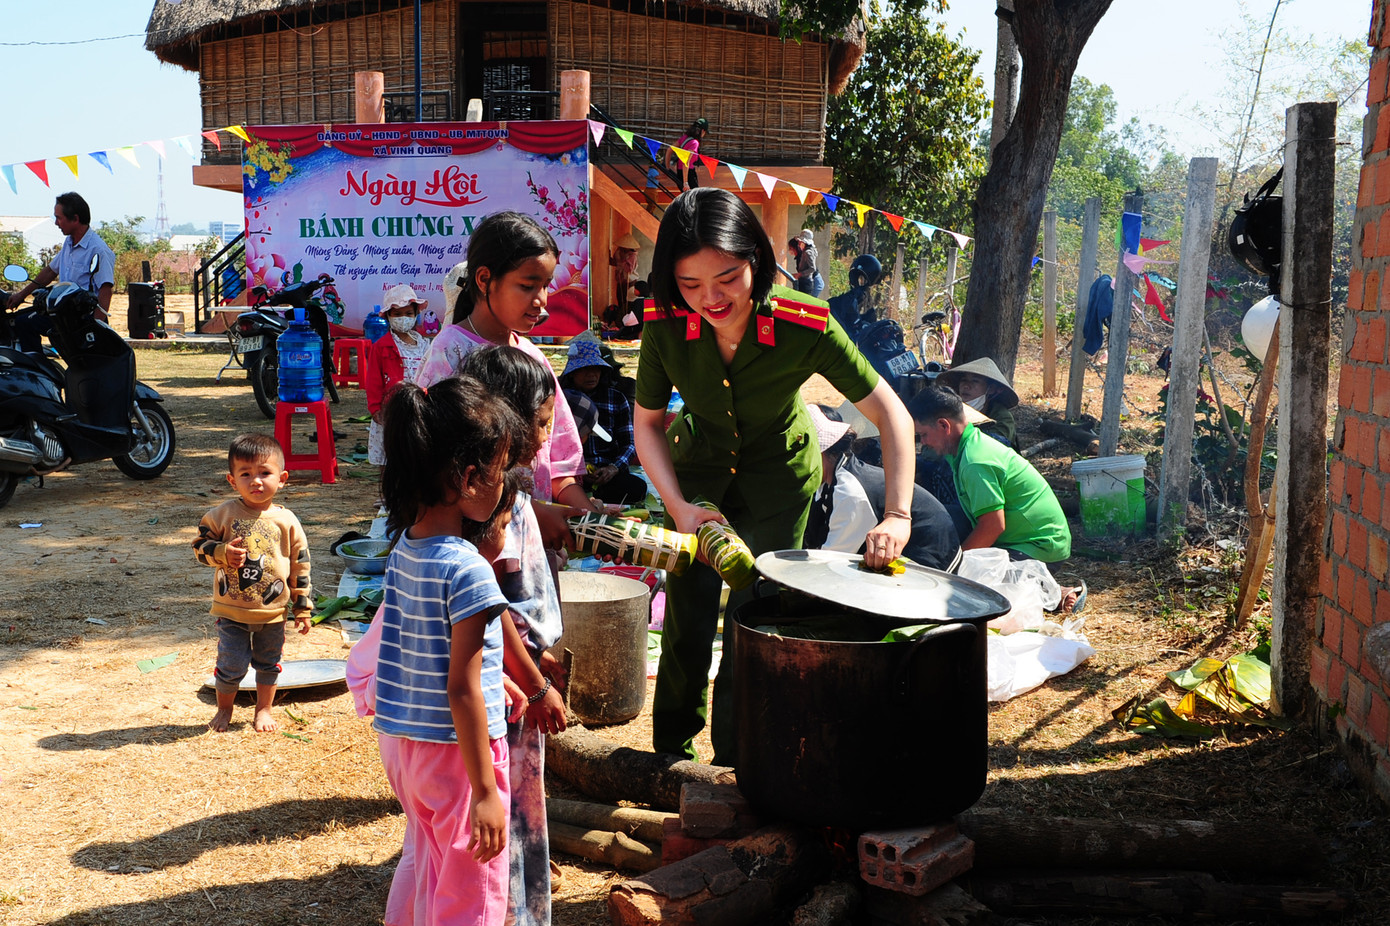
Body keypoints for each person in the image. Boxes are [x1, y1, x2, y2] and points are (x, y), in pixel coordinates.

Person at [634, 187, 917, 764]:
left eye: (728, 278)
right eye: (690, 285)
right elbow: (648, 426)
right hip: (697, 482)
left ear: (757, 262)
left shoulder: (803, 323)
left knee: (755, 619)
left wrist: (898, 514)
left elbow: (892, 413)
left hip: (778, 483)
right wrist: (681, 507)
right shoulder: (664, 324)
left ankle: (739, 759)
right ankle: (669, 759)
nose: (710, 299)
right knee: (686, 620)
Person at [372, 375, 526, 926]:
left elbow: (426, 653)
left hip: (406, 749)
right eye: (500, 468)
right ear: (466, 478)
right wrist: (487, 791)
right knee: (472, 890)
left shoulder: (406, 548)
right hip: (459, 758)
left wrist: (495, 679)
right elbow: (459, 686)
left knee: (429, 860)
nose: (504, 482)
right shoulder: (468, 569)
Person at [455, 345, 570, 926]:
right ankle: (512, 913)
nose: (550, 432)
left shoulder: (508, 493)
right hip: (512, 687)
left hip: (522, 674)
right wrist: (535, 678)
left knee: (526, 799)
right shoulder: (489, 504)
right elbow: (491, 606)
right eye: (543, 420)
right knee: (515, 804)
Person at [417, 211, 604, 548]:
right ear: (485, 279)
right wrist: (528, 510)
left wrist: (590, 518)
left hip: (534, 539)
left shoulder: (534, 357)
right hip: (475, 546)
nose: (542, 301)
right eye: (527, 286)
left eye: (546, 286)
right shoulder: (450, 352)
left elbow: (559, 455)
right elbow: (444, 467)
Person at [192, 433, 312, 733]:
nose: (256, 481)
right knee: (231, 665)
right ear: (233, 481)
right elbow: (199, 547)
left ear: (282, 478)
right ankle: (224, 709)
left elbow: (301, 566)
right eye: (246, 474)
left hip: (273, 614)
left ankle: (263, 709)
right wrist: (221, 552)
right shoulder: (222, 515)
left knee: (268, 664)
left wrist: (302, 607)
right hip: (231, 610)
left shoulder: (287, 522)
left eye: (264, 473)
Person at [909, 385, 1071, 565]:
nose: (922, 442)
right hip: (1021, 538)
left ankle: (1053, 591)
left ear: (943, 425)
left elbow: (993, 526)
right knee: (940, 517)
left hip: (1039, 548)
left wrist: (956, 566)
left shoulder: (975, 461)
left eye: (923, 434)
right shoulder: (966, 446)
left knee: (968, 581)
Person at [805, 404, 961, 572]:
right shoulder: (830, 481)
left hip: (932, 556)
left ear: (819, 452)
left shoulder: (849, 492)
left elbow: (829, 562)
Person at [7, 192, 117, 351]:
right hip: (62, 314)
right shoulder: (69, 243)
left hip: (82, 319)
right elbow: (50, 271)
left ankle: (36, 373)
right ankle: (37, 370)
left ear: (75, 219)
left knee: (83, 363)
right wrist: (20, 295)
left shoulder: (98, 250)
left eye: (59, 218)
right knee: (22, 321)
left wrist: (95, 328)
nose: (56, 223)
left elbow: (105, 291)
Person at [559, 338, 646, 506]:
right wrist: (578, 469)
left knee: (637, 488)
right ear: (572, 373)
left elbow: (629, 443)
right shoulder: (561, 398)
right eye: (585, 370)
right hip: (571, 473)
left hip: (608, 473)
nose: (591, 375)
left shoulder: (616, 398)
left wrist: (613, 468)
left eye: (596, 369)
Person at [364, 283, 431, 472]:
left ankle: (413, 494)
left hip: (419, 407)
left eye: (409, 314)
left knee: (416, 450)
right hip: (391, 409)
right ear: (388, 317)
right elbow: (374, 380)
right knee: (389, 452)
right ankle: (387, 495)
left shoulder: (424, 344)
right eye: (398, 314)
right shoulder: (382, 346)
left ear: (416, 314)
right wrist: (375, 407)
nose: (404, 318)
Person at [936, 357, 1019, 449]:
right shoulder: (950, 412)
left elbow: (993, 447)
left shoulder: (1001, 416)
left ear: (991, 389)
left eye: (975, 381)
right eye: (964, 380)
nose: (966, 386)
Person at [656, 117, 708, 191]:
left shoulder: (685, 138)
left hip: (679, 172)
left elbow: (669, 150)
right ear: (702, 131)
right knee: (694, 198)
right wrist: (685, 182)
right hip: (688, 174)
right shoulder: (694, 143)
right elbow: (686, 161)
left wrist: (667, 169)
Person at [789, 229, 825, 298]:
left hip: (813, 282)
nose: (799, 244)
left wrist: (800, 274)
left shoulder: (808, 252)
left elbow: (812, 268)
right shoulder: (804, 253)